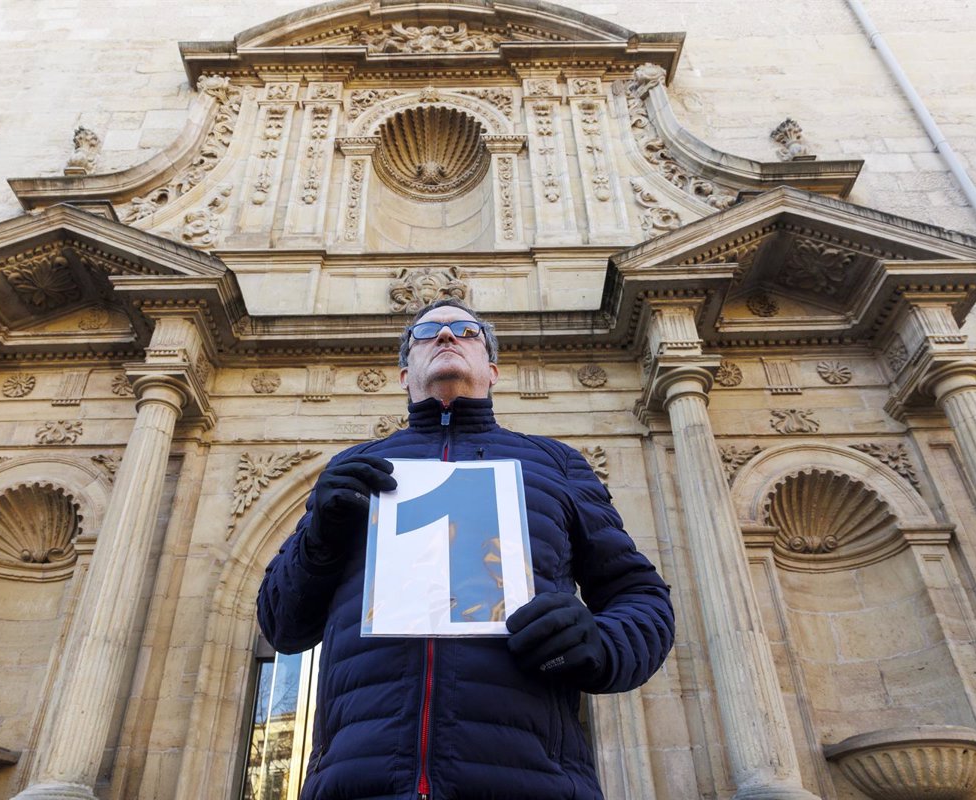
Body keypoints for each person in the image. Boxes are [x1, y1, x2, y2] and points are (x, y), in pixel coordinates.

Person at [258, 299, 675, 800]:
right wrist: (317, 537)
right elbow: (281, 625)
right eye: (426, 332)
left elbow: (641, 596)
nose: (446, 336)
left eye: (465, 330)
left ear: (493, 370)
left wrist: (602, 643)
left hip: (531, 782)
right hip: (358, 782)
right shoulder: (355, 469)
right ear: (402, 373)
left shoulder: (556, 464)